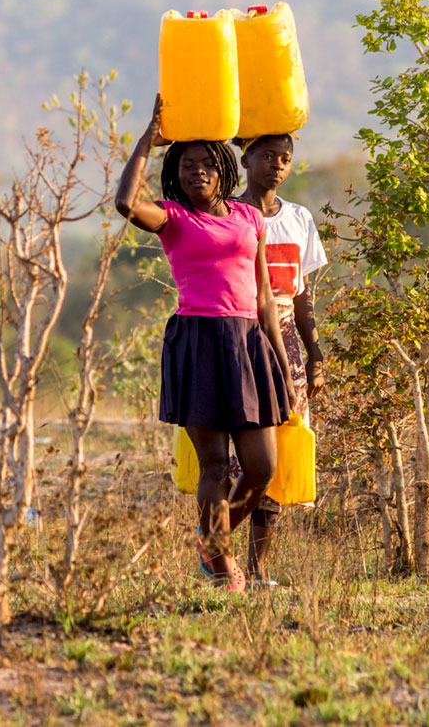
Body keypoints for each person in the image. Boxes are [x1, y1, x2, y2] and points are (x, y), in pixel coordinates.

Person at [115, 96, 294, 593]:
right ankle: (220, 562)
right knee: (214, 464)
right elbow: (127, 204)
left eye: (205, 165)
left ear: (222, 170)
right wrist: (147, 142)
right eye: (187, 166)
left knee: (262, 467)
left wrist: (281, 367)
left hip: (249, 343)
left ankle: (210, 540)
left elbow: (263, 297)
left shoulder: (249, 218)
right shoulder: (172, 218)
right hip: (198, 341)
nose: (196, 173)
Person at [230, 133, 327, 586]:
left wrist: (313, 354)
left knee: (282, 447)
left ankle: (258, 568)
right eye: (267, 156)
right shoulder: (227, 214)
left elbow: (303, 296)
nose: (277, 166)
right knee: (241, 454)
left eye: (285, 159)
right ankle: (218, 555)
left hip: (285, 339)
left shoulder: (299, 219)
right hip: (239, 335)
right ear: (245, 158)